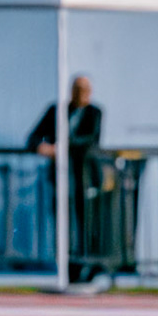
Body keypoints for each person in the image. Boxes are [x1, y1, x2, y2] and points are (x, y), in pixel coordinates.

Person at [26, 75, 104, 273]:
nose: (82, 93)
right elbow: (32, 139)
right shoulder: (57, 111)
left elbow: (90, 140)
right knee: (62, 220)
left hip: (84, 178)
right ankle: (65, 261)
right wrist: (44, 148)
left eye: (85, 89)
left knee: (86, 220)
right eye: (78, 89)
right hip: (60, 177)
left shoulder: (94, 113)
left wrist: (61, 148)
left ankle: (86, 263)